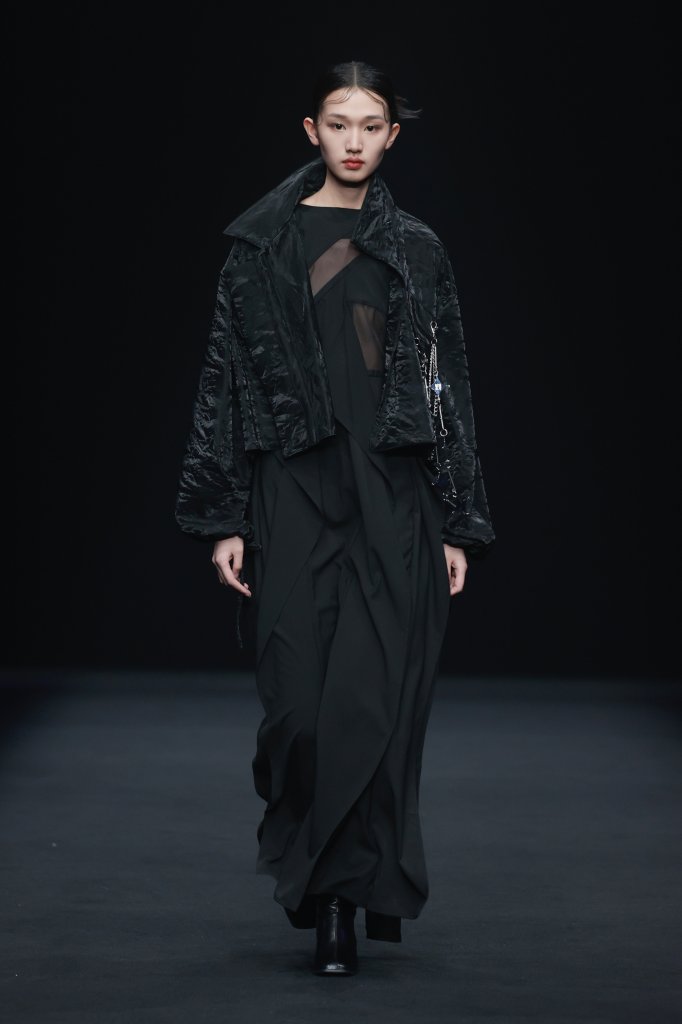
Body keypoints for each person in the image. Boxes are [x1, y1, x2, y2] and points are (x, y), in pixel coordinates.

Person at [174, 60, 495, 976]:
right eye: (339, 123)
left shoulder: (417, 248)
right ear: (310, 131)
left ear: (392, 137)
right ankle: (317, 871)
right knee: (299, 712)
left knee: (369, 706)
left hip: (393, 496)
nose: (354, 140)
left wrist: (458, 520)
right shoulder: (260, 247)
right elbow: (224, 380)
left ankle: (343, 904)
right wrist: (223, 513)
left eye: (371, 124)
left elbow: (445, 385)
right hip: (292, 492)